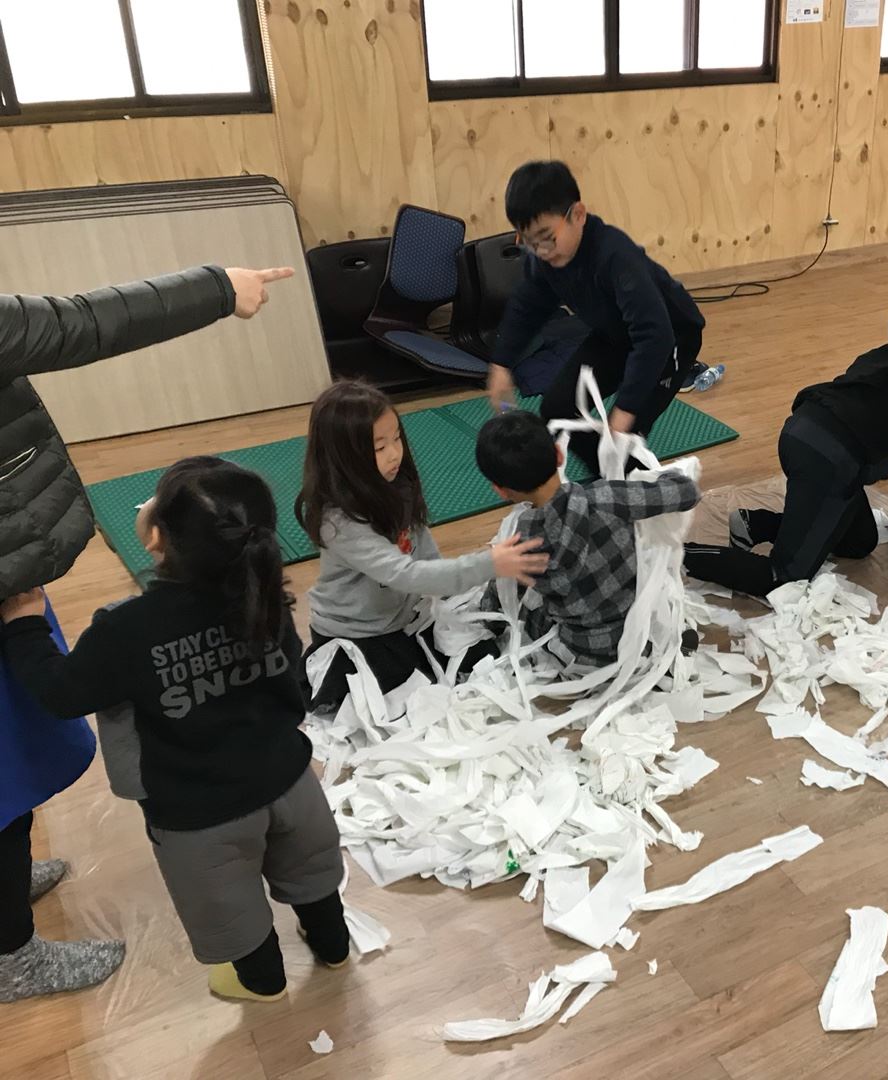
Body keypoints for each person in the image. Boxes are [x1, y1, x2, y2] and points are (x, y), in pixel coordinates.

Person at [0, 264, 293, 1003]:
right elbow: (83, 322)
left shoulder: (143, 627)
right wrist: (220, 288)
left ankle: (7, 881)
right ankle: (10, 953)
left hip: (10, 577)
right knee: (4, 766)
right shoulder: (135, 631)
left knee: (17, 760)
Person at [1, 457, 349, 1003]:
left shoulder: (124, 629)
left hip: (198, 815)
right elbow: (291, 676)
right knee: (313, 875)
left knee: (231, 910)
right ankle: (335, 948)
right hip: (291, 783)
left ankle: (262, 983)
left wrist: (24, 625)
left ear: (157, 538)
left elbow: (61, 694)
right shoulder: (265, 596)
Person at [298, 380, 549, 709]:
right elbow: (406, 574)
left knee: (479, 655)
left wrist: (457, 595)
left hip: (407, 617)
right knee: (405, 697)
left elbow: (424, 553)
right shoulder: (340, 523)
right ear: (344, 459)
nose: (395, 453)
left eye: (396, 438)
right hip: (359, 632)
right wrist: (489, 564)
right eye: (379, 447)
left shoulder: (395, 485)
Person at [683, 298, 888, 596]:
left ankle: (754, 524)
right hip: (830, 460)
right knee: (784, 577)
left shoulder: (877, 356)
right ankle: (675, 556)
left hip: (800, 430)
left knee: (860, 541)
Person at [486, 160, 708, 475]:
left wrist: (624, 411)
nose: (542, 251)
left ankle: (643, 487)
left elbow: (654, 336)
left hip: (669, 339)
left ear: (578, 214)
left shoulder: (615, 256)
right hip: (614, 335)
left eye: (546, 237)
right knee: (558, 409)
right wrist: (501, 364)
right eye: (529, 242)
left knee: (624, 437)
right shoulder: (545, 259)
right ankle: (614, 478)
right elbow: (526, 307)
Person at [472, 410, 700, 667]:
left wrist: (487, 624)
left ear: (501, 490)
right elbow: (687, 492)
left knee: (531, 612)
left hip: (584, 651)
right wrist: (661, 475)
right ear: (559, 454)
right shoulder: (609, 497)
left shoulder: (522, 543)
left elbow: (501, 600)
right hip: (638, 627)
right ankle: (661, 650)